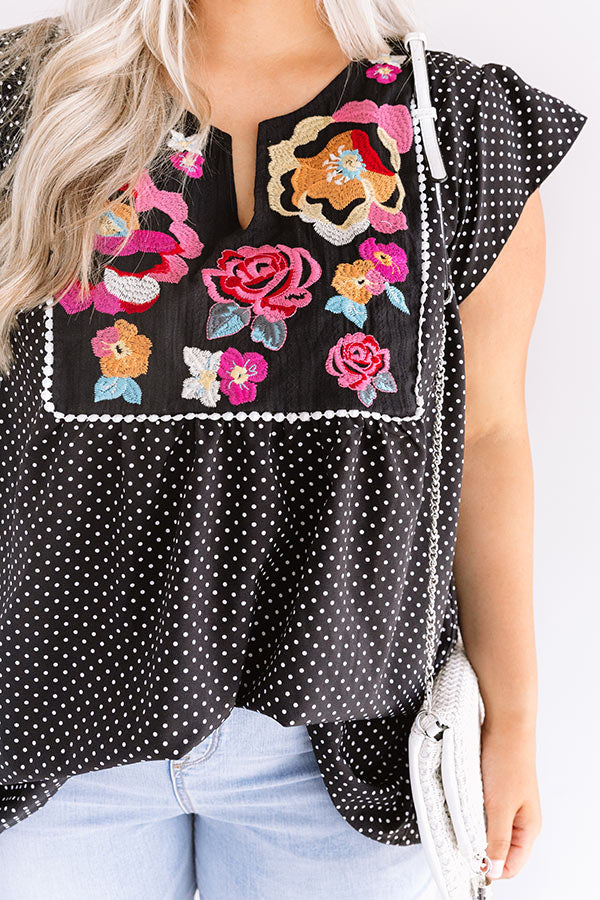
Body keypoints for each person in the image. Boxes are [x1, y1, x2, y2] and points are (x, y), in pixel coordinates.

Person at [0, 1, 587, 898]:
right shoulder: (26, 95)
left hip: (351, 752)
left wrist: (514, 721)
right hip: (47, 736)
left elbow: (490, 434)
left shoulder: (458, 124)